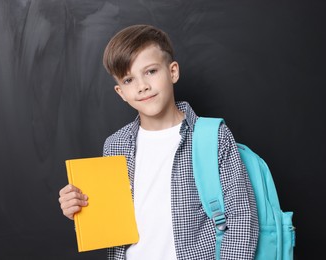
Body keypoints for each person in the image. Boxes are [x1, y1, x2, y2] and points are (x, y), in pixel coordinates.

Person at [58, 24, 259, 259]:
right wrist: (80, 209)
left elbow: (243, 218)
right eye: (129, 79)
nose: (142, 86)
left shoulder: (212, 135)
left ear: (172, 71)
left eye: (151, 71)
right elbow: (110, 222)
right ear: (120, 92)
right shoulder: (115, 145)